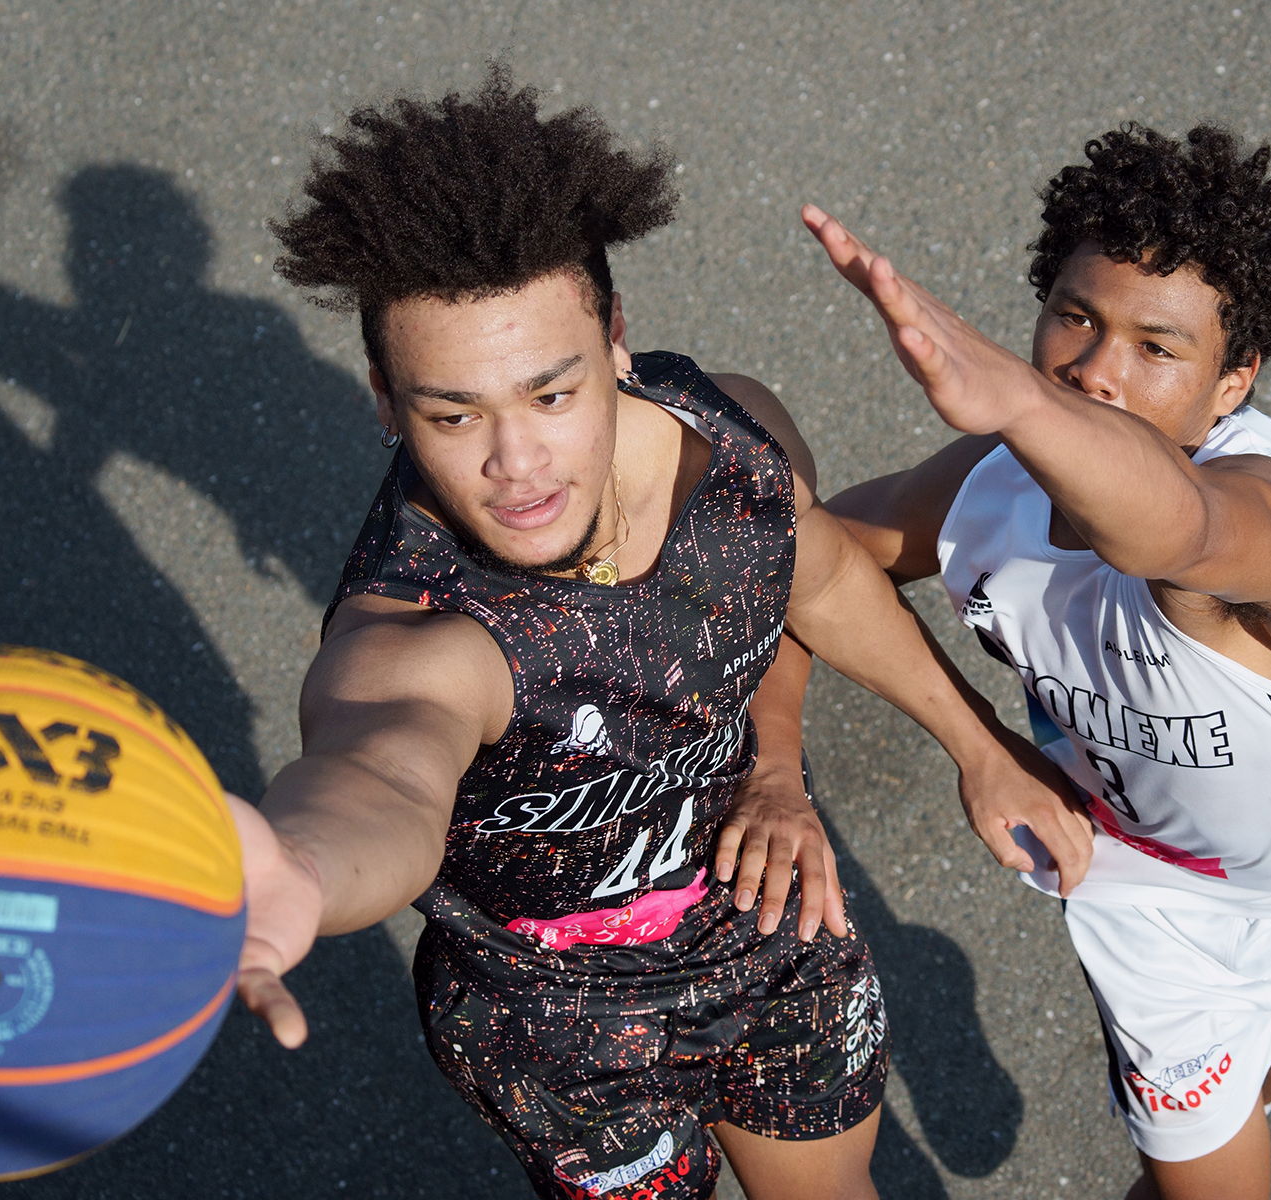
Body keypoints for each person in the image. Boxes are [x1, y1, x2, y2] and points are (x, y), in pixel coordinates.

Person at [225, 70, 1088, 1200]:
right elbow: (381, 773)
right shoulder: (419, 633)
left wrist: (970, 750)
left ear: (616, 340)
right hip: (550, 1028)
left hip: (767, 926)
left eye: (551, 395)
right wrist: (299, 869)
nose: (516, 464)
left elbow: (821, 580)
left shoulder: (731, 443)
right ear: (386, 400)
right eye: (454, 413)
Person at [805, 125, 1271, 1200]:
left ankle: (1238, 1092)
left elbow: (1178, 530)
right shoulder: (987, 488)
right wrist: (968, 746)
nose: (1096, 373)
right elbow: (795, 557)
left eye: (1158, 348)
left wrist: (1020, 400)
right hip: (1153, 902)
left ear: (1234, 381)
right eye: (1076, 318)